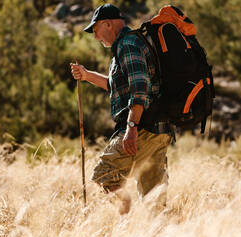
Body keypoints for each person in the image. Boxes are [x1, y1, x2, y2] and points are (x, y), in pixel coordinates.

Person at [70, 4, 173, 214]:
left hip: (142, 127)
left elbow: (140, 87)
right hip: (158, 130)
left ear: (107, 24)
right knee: (154, 196)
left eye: (95, 30)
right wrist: (87, 75)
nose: (96, 38)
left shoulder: (127, 44)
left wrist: (132, 127)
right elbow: (116, 86)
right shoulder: (129, 45)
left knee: (103, 175)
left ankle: (125, 224)